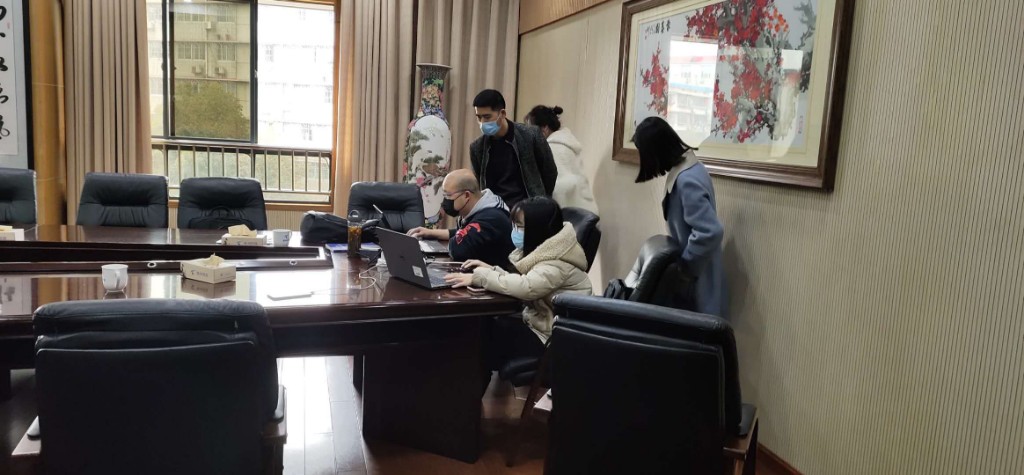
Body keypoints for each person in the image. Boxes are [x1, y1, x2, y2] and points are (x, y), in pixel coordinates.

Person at [445, 197, 592, 376]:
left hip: (551, 339)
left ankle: (467, 389)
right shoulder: (548, 251)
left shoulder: (556, 264)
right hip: (539, 325)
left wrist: (481, 277)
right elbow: (527, 280)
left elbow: (526, 287)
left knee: (480, 341)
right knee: (481, 329)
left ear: (538, 229)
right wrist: (492, 270)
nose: (514, 231)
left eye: (520, 227)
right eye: (514, 225)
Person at [633, 116, 725, 317]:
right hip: (696, 279)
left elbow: (710, 231)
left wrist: (685, 270)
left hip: (697, 283)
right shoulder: (690, 169)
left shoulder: (686, 180)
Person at [407, 169, 515, 270]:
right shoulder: (482, 205)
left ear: (466, 195)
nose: (445, 201)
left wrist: (456, 236)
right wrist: (430, 232)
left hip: (499, 277)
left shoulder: (490, 218)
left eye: (448, 196)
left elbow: (457, 250)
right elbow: (463, 232)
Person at [469, 89, 557, 208]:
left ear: (502, 113)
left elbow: (550, 172)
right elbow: (480, 184)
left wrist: (541, 200)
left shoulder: (531, 135)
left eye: (487, 117)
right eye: (479, 117)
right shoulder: (477, 147)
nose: (482, 122)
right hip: (496, 210)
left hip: (529, 209)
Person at [524, 105, 598, 214]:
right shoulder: (566, 143)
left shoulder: (554, 148)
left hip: (574, 216)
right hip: (586, 211)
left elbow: (559, 188)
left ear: (544, 128)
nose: (528, 134)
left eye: (530, 129)